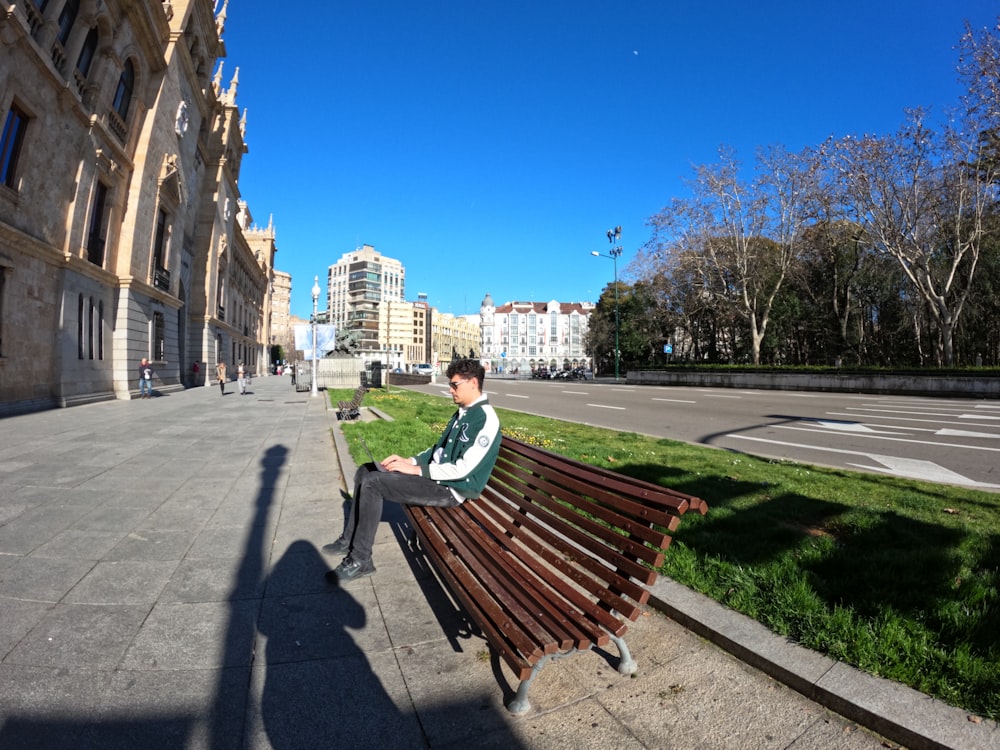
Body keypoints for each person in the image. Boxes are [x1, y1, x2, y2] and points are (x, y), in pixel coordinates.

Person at [323, 359, 501, 583]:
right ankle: (348, 540)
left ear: (473, 383)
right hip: (436, 478)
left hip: (450, 489)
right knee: (365, 471)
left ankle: (361, 560)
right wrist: (409, 460)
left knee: (374, 483)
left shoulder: (485, 419)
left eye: (454, 385)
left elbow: (464, 469)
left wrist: (416, 470)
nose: (450, 389)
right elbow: (438, 449)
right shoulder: (462, 413)